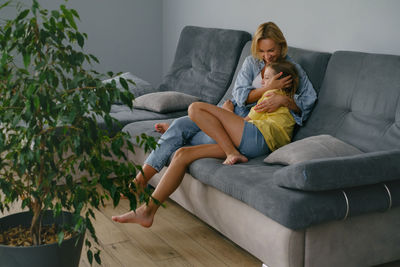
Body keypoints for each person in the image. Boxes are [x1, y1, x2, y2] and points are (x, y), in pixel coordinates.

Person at [111, 22, 316, 226]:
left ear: (281, 46)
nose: (266, 56)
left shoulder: (289, 71)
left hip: (247, 128)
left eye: (271, 50)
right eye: (262, 51)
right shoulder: (252, 64)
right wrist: (267, 89)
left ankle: (226, 149)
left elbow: (307, 101)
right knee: (182, 147)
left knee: (192, 115)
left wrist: (284, 100)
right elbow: (240, 96)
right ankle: (145, 203)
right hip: (239, 121)